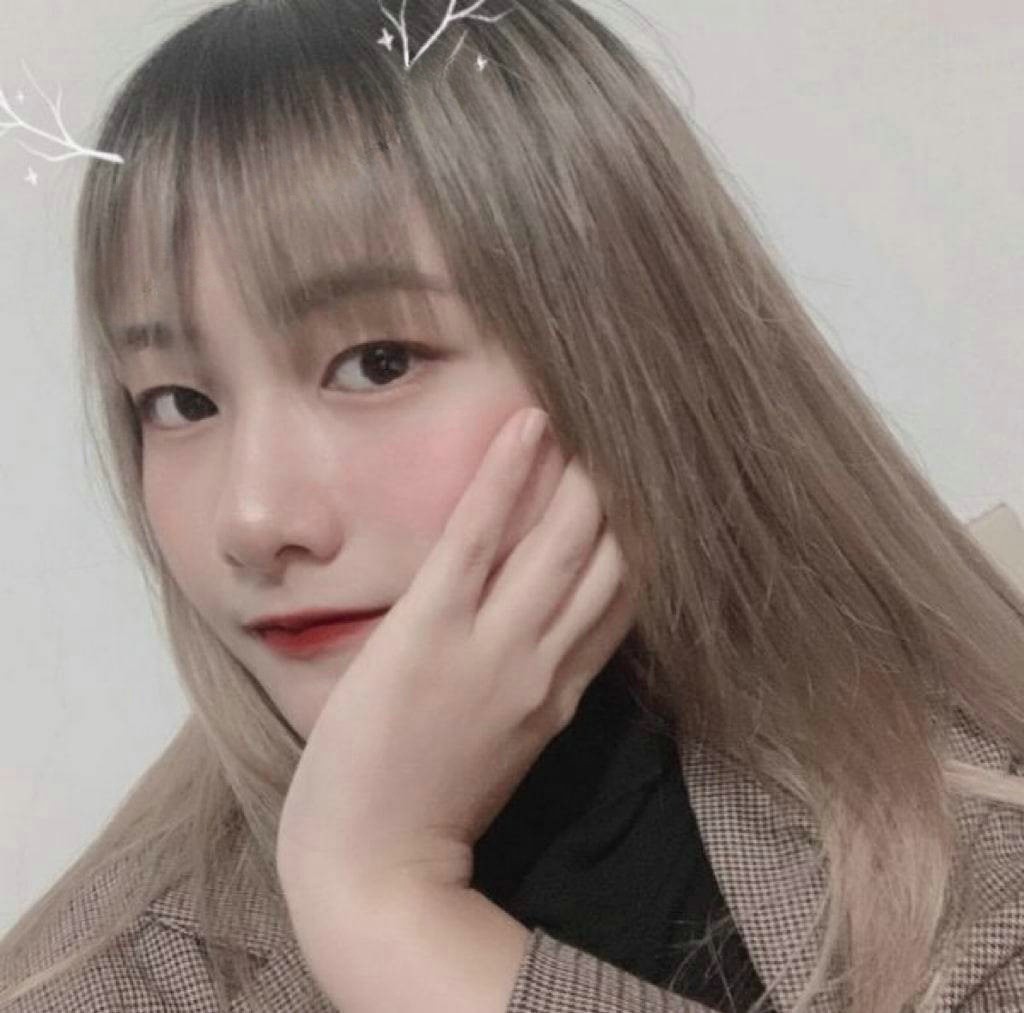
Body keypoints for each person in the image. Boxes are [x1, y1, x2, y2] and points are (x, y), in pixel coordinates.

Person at [3, 0, 1024, 1010]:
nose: (254, 519)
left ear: (636, 358)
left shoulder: (978, 811)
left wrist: (388, 911)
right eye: (180, 402)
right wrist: (379, 889)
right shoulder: (103, 982)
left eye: (378, 361)